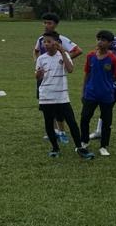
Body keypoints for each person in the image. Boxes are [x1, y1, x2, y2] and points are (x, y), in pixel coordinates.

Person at [36, 31, 93, 160]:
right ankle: (55, 148)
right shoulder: (41, 58)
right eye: (44, 42)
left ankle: (79, 147)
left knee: (72, 122)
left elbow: (70, 69)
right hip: (46, 96)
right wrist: (38, 74)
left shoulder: (64, 55)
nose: (46, 44)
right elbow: (37, 76)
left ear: (57, 43)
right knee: (49, 123)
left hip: (62, 97)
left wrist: (62, 52)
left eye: (49, 41)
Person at [33, 12, 83, 143]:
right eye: (45, 22)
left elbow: (78, 50)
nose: (46, 25)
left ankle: (62, 131)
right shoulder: (41, 39)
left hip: (57, 79)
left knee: (59, 107)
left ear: (55, 25)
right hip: (44, 77)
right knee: (47, 105)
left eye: (49, 23)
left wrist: (63, 60)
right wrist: (38, 63)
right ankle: (54, 131)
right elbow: (36, 50)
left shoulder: (61, 39)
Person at [80, 30, 116, 157]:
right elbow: (87, 73)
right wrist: (83, 91)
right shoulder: (91, 56)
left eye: (103, 40)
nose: (100, 42)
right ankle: (84, 141)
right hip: (90, 93)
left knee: (106, 122)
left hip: (106, 95)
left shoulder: (113, 59)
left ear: (110, 43)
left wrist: (107, 80)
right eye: (98, 39)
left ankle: (104, 146)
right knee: (85, 118)